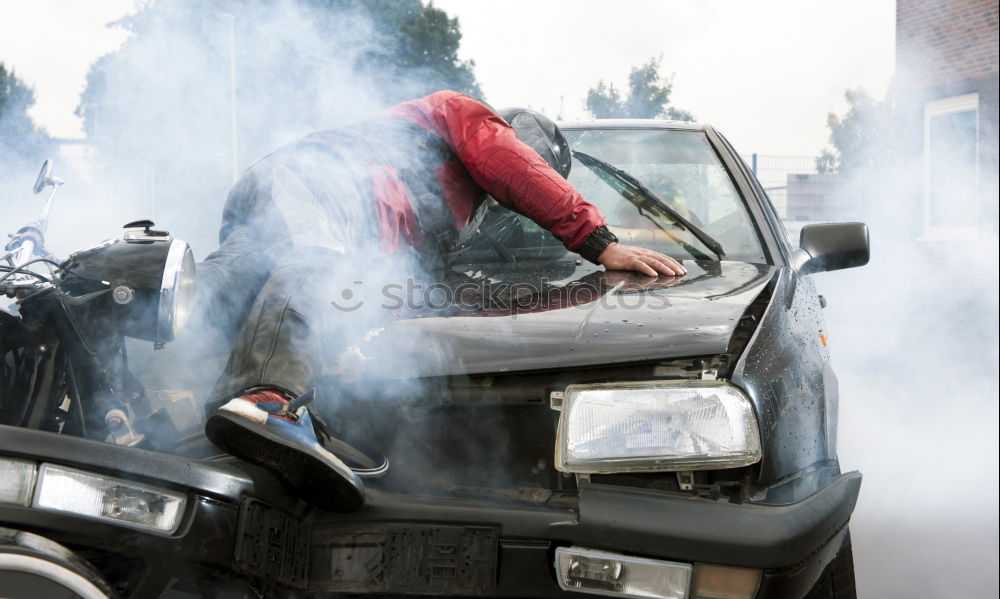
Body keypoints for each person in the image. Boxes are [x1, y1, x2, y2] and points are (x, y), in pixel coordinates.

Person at [199, 90, 685, 511]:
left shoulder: (432, 208)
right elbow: (510, 165)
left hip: (281, 181)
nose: (497, 204)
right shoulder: (462, 114)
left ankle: (134, 320)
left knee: (232, 281)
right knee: (319, 266)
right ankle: (267, 399)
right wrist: (599, 241)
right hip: (324, 179)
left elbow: (380, 291)